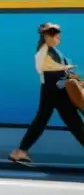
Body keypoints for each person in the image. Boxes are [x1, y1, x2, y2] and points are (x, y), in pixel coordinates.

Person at [9, 22, 84, 165]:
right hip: (55, 90)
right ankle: (20, 151)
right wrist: (69, 76)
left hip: (53, 90)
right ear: (45, 36)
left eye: (57, 33)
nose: (57, 36)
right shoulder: (44, 53)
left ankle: (20, 151)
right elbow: (53, 74)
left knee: (43, 120)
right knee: (74, 123)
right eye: (53, 34)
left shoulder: (51, 50)